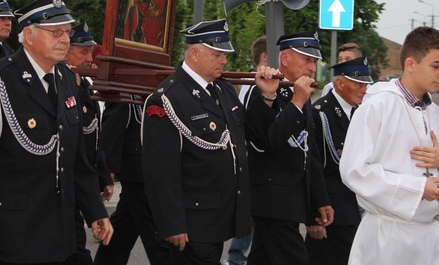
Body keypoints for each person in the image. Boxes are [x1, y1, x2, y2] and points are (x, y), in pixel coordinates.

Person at [0, 0, 112, 264]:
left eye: (66, 32)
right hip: (18, 228)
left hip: (64, 226)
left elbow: (75, 158)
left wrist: (95, 211)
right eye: (55, 32)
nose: (65, 39)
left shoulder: (64, 77)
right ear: (29, 34)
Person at [339, 26, 439, 265]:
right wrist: (417, 188)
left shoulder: (433, 111)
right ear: (411, 64)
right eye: (436, 66)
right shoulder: (377, 106)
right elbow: (354, 170)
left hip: (429, 235)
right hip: (388, 236)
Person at [142, 19, 250, 264]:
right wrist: (172, 223)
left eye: (224, 54)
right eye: (217, 54)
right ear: (194, 53)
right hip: (192, 222)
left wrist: (266, 96)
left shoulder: (222, 89)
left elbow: (244, 136)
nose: (224, 60)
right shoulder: (167, 98)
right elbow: (160, 170)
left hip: (218, 217)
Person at [244, 31, 333, 264]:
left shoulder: (300, 92)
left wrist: (319, 201)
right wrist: (296, 103)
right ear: (285, 59)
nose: (312, 67)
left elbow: (308, 153)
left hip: (291, 201)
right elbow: (269, 142)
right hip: (273, 201)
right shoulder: (266, 91)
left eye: (314, 61)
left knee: (261, 259)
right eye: (307, 60)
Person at [307, 56, 373, 265]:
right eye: (359, 84)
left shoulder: (359, 112)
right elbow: (311, 167)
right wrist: (313, 216)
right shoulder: (321, 113)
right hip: (330, 209)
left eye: (366, 84)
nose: (364, 90)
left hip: (355, 206)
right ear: (340, 83)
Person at [95, 98, 169, 264]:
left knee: (124, 227)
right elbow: (113, 128)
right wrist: (107, 172)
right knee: (155, 233)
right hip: (136, 169)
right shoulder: (125, 90)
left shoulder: (145, 86)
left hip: (145, 165)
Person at [63, 21, 113, 264]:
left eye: (89, 52)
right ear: (66, 51)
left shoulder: (84, 84)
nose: (88, 57)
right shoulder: (61, 86)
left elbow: (95, 137)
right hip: (66, 183)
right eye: (82, 51)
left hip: (83, 180)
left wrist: (103, 176)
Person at [226, 36, 267, 265]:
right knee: (249, 215)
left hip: (252, 158)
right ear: (264, 56)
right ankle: (236, 259)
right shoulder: (254, 84)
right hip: (251, 158)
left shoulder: (252, 81)